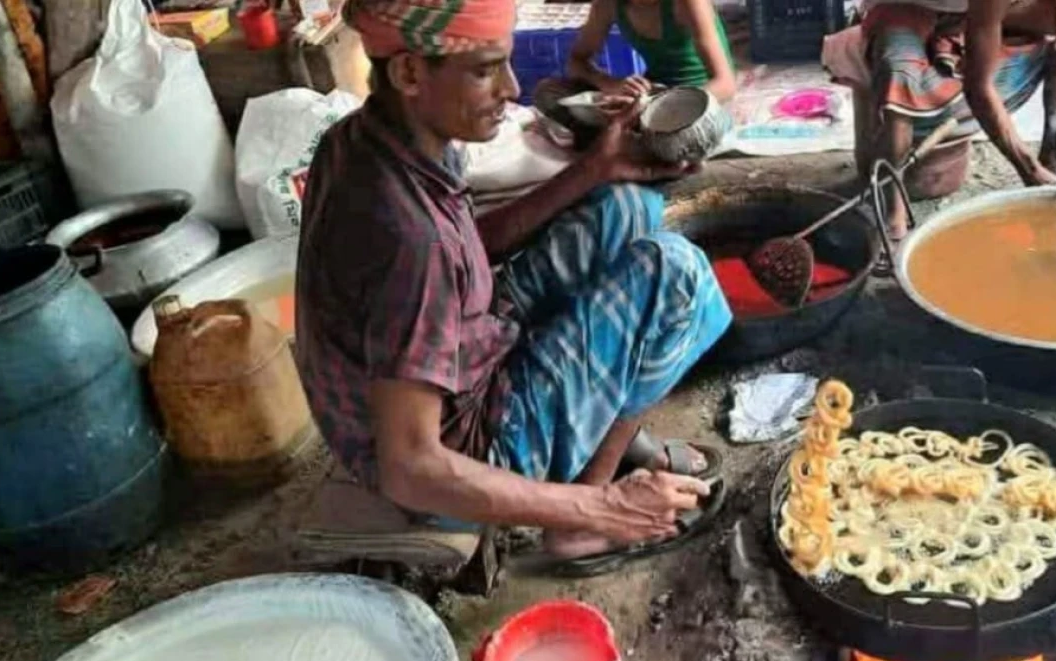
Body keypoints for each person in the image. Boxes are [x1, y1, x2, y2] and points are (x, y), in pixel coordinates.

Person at [295, 0, 733, 567]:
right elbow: (410, 466)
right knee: (676, 276)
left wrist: (596, 169)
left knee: (626, 206)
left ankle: (605, 440)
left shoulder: (368, 138)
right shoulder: (409, 239)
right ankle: (585, 518)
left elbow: (467, 252)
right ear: (408, 72)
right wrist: (600, 508)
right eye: (485, 70)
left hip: (467, 352)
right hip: (460, 457)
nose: (512, 87)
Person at [826, 0, 1056, 238]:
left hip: (971, 8)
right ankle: (893, 211)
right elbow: (978, 87)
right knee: (899, 74)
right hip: (906, 5)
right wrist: (1026, 168)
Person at [534, 0, 736, 145]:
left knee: (682, 138)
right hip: (648, 96)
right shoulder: (609, 4)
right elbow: (576, 62)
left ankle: (621, 142)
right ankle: (625, 141)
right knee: (549, 92)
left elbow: (725, 84)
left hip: (695, 103)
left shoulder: (688, 3)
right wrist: (610, 84)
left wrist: (653, 105)